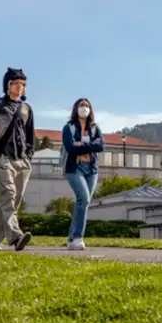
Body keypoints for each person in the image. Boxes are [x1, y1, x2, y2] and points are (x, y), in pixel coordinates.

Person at [0, 68, 35, 251]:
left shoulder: (26, 109)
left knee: (13, 199)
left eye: (23, 84)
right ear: (8, 84)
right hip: (1, 156)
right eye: (16, 83)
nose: (20, 87)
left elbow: (30, 136)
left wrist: (28, 156)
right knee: (9, 193)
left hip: (22, 159)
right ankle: (16, 237)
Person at [61, 98, 104, 250]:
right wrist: (91, 145)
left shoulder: (95, 128)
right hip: (74, 168)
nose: (84, 108)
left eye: (87, 105)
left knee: (83, 203)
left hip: (91, 170)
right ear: (76, 108)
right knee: (84, 199)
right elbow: (70, 147)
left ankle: (71, 238)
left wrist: (81, 144)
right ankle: (78, 237)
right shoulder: (68, 128)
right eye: (81, 105)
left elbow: (100, 146)